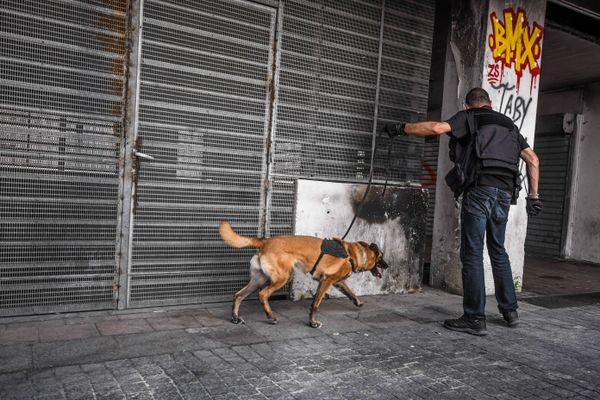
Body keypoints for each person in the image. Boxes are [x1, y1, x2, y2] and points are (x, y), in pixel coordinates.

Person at [383, 87, 542, 336]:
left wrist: (402, 128)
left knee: (472, 253)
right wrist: (533, 196)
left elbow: (436, 129)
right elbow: (532, 159)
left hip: (480, 190)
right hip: (504, 193)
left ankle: (475, 318)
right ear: (489, 103)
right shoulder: (508, 124)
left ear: (468, 106)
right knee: (498, 250)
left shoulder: (469, 117)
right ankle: (510, 311)